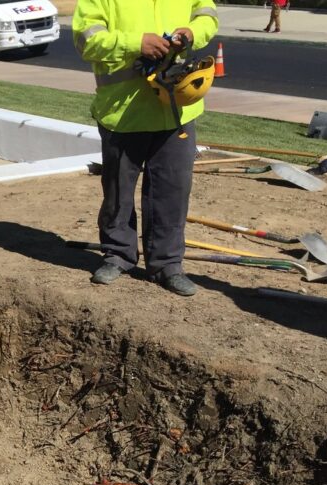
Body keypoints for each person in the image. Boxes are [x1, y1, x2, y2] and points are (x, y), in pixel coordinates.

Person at [73, 0, 219, 297]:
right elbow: (86, 40)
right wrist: (135, 43)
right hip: (123, 111)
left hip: (176, 109)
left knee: (172, 189)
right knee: (118, 189)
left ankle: (167, 265)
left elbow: (207, 14)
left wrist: (192, 33)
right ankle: (117, 255)